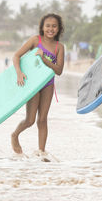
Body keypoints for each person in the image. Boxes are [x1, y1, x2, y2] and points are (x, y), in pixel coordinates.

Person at [11, 13, 65, 157]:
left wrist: (43, 58)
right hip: (33, 84)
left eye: (54, 26)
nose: (51, 29)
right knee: (30, 120)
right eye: (48, 26)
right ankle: (15, 135)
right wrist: (19, 72)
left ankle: (41, 152)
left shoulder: (59, 47)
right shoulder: (35, 40)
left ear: (59, 29)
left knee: (42, 120)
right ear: (42, 27)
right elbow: (16, 56)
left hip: (48, 84)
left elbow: (59, 70)